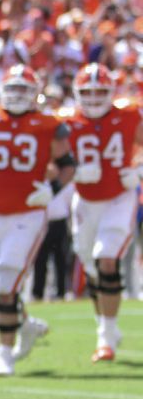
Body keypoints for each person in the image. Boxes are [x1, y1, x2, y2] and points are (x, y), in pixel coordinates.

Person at [0, 64, 75, 376]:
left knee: (4, 280)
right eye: (11, 89)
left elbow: (68, 165)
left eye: (22, 90)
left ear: (35, 94)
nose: (15, 96)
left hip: (28, 212)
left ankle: (4, 353)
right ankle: (25, 324)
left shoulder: (48, 124)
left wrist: (50, 190)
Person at [59, 63, 143, 362]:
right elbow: (49, 163)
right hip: (84, 201)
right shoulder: (66, 121)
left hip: (119, 198)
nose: (94, 97)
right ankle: (105, 327)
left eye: (100, 91)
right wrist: (76, 173)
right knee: (92, 268)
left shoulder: (129, 114)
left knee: (107, 260)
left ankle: (106, 337)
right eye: (88, 92)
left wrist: (139, 170)